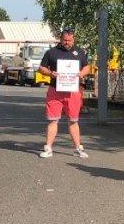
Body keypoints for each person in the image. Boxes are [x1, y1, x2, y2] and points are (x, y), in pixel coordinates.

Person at [37, 26, 91, 158]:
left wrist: (81, 74)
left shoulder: (80, 52)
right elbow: (41, 68)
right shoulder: (51, 52)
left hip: (73, 91)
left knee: (73, 120)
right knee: (52, 120)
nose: (67, 42)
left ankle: (78, 148)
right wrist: (51, 73)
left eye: (69, 40)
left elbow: (87, 67)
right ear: (60, 39)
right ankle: (48, 148)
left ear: (74, 39)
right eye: (65, 40)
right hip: (55, 90)